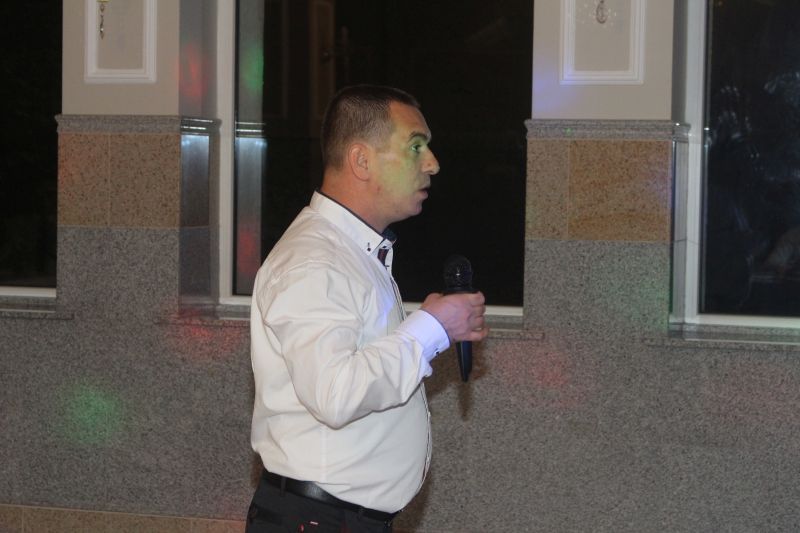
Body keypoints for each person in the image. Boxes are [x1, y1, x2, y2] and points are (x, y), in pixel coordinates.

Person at [246, 85, 488, 533]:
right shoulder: (314, 261)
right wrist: (432, 326)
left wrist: (428, 325)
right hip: (318, 520)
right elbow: (335, 394)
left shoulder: (351, 252)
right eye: (415, 146)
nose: (432, 163)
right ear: (361, 161)